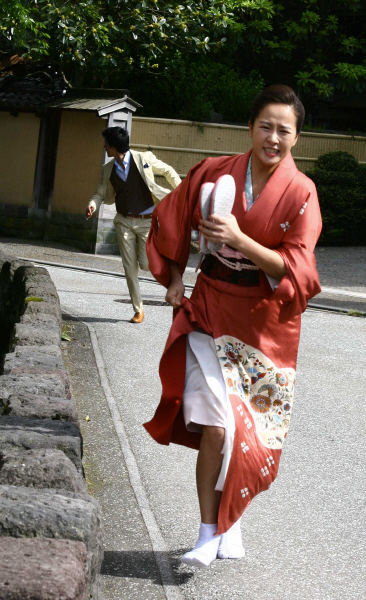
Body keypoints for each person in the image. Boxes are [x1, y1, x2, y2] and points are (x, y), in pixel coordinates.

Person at [143, 85, 322, 567]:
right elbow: (175, 216)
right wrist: (176, 278)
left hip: (263, 326)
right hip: (209, 309)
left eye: (284, 130)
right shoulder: (215, 171)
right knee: (218, 428)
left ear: (296, 139)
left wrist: (241, 239)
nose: (273, 137)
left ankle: (231, 521)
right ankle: (206, 531)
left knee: (251, 435)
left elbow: (299, 269)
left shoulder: (301, 192)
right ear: (250, 127)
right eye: (265, 126)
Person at [86, 127, 181, 323]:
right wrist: (92, 205)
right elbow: (100, 193)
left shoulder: (143, 158)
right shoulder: (108, 169)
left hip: (146, 221)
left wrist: (179, 190)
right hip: (123, 221)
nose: (104, 147)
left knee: (146, 265)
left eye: (106, 144)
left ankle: (165, 263)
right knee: (129, 268)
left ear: (113, 146)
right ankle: (138, 310)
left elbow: (168, 171)